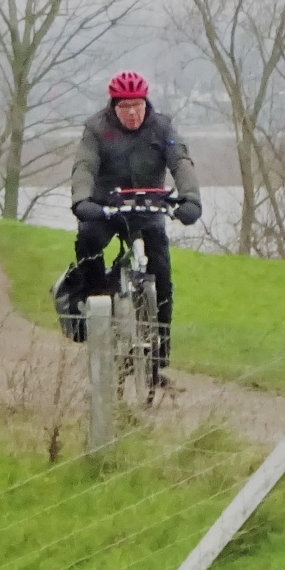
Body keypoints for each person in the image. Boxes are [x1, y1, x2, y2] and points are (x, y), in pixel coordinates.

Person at [68, 70, 201, 373]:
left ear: (146, 103)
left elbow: (180, 161)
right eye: (125, 106)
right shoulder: (96, 129)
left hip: (147, 207)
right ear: (114, 106)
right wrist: (82, 200)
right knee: (88, 240)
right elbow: (85, 165)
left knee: (162, 276)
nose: (133, 113)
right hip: (105, 207)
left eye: (138, 105)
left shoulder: (161, 127)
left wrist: (191, 199)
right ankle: (94, 301)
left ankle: (159, 360)